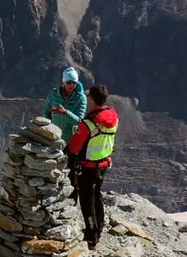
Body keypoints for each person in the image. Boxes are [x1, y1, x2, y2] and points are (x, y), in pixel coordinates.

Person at [67, 84, 119, 250]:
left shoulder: (89, 123)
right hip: (103, 164)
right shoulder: (113, 118)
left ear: (91, 99)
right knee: (97, 196)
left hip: (88, 167)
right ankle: (99, 227)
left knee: (86, 201)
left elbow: (74, 147)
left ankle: (91, 236)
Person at [42, 66, 87, 196]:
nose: (71, 85)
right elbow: (46, 110)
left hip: (71, 139)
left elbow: (79, 120)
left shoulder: (81, 98)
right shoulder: (53, 94)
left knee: (72, 169)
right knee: (53, 166)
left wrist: (65, 112)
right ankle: (53, 194)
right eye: (69, 82)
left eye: (74, 82)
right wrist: (49, 127)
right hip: (55, 138)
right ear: (63, 82)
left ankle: (73, 197)